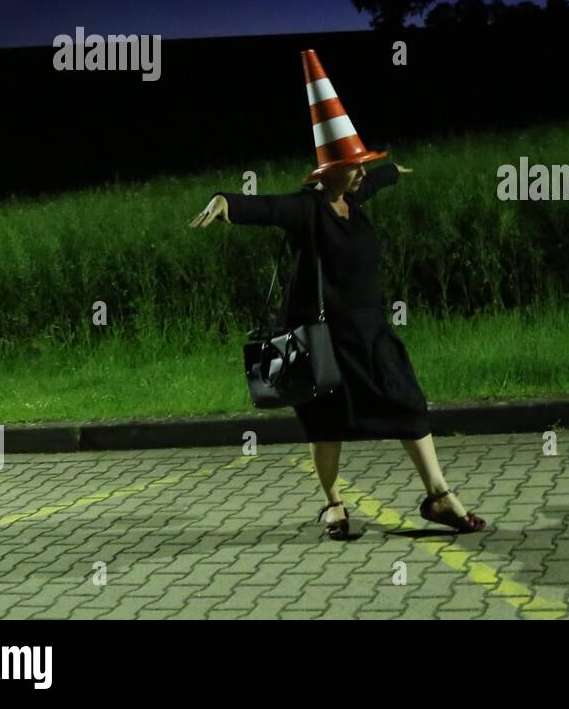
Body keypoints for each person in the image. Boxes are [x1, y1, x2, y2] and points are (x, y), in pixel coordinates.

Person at [188, 50, 485, 539]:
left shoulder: (353, 197)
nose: (362, 175)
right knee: (326, 424)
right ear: (327, 173)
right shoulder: (308, 210)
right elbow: (268, 207)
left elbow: (377, 179)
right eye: (355, 168)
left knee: (409, 405)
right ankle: (333, 505)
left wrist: (388, 169)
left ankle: (439, 497)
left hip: (370, 332)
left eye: (363, 168)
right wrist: (227, 201)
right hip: (321, 337)